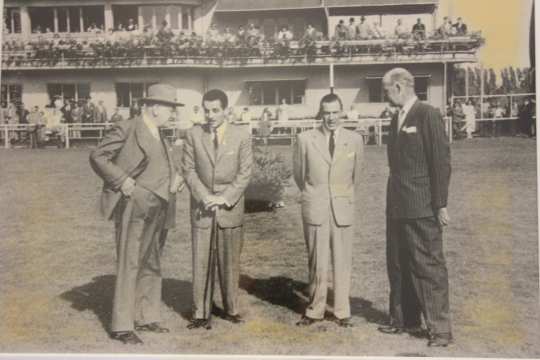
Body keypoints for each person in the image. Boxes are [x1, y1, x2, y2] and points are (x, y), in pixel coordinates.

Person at [89, 83, 185, 345]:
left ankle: (146, 316)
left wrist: (174, 179)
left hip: (160, 205)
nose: (172, 114)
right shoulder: (127, 127)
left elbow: (161, 165)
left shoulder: (160, 135)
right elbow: (98, 156)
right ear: (154, 107)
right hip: (134, 205)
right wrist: (121, 180)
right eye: (169, 108)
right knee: (130, 262)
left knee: (151, 262)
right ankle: (122, 326)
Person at [379, 68, 452, 347]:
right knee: (398, 264)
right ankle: (404, 319)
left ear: (399, 87)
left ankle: (441, 330)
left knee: (429, 267)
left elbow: (441, 162)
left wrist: (440, 204)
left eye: (386, 90)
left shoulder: (428, 114)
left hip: (421, 206)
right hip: (396, 205)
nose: (385, 95)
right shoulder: (396, 118)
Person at [183, 89, 253, 330]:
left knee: (230, 261)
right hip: (202, 208)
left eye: (215, 110)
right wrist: (205, 197)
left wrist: (224, 199)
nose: (210, 115)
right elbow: (189, 170)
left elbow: (245, 173)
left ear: (226, 110)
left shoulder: (241, 136)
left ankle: (231, 308)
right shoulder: (193, 134)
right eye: (206, 110)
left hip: (229, 208)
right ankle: (200, 312)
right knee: (201, 261)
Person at [293, 93, 364, 328]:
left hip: (342, 208)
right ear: (320, 113)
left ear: (342, 112)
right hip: (316, 207)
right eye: (327, 112)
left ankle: (342, 312)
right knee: (317, 262)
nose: (331, 117)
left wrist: (340, 195)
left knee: (343, 262)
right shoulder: (305, 139)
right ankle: (314, 310)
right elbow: (299, 175)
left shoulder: (355, 139)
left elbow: (357, 176)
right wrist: (316, 194)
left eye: (335, 112)